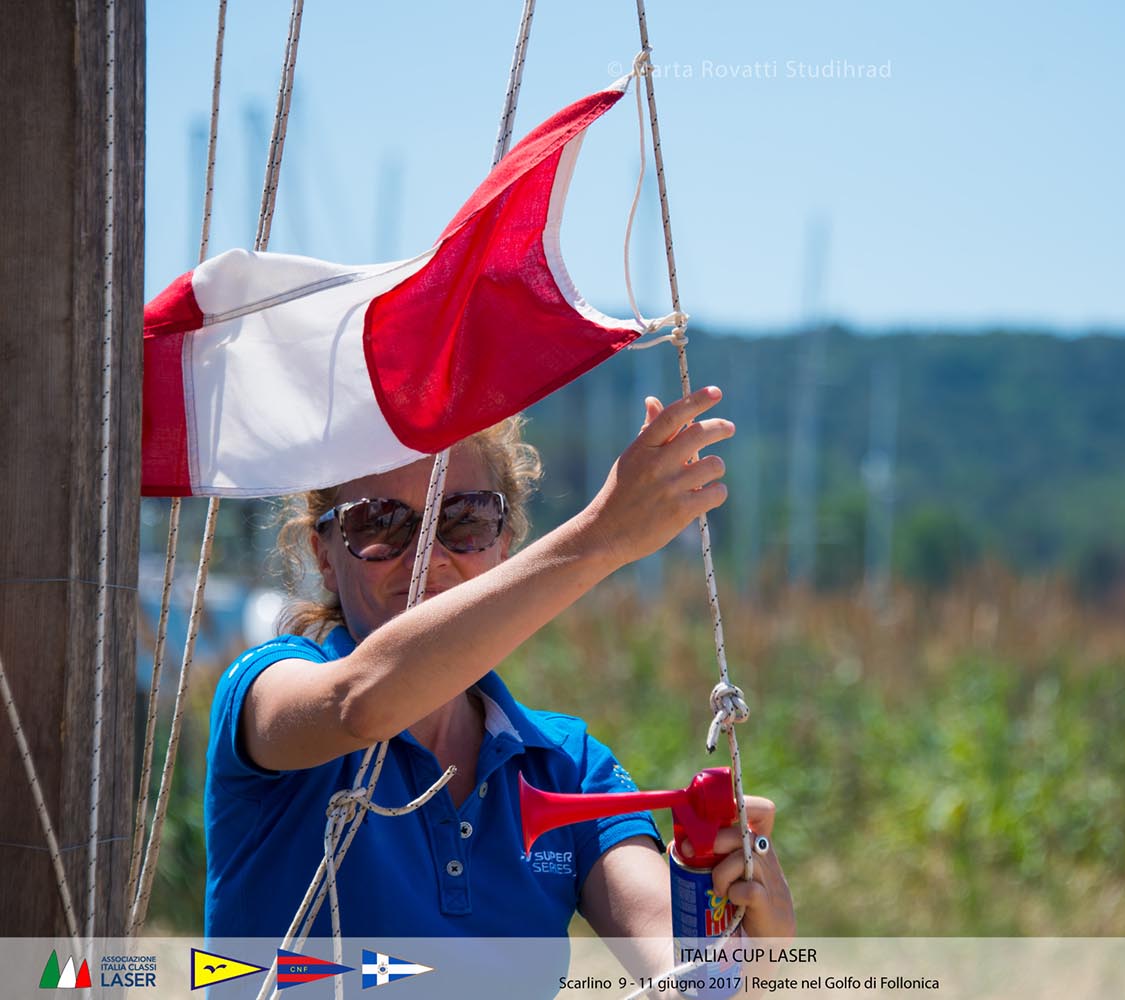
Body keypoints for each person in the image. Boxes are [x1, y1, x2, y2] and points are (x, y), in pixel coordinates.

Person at [204, 386, 794, 969]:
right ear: (325, 554)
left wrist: (748, 948)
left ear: (505, 545)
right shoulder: (266, 689)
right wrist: (602, 537)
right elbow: (360, 703)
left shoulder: (569, 766)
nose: (426, 556)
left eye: (463, 520)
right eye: (378, 523)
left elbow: (680, 972)